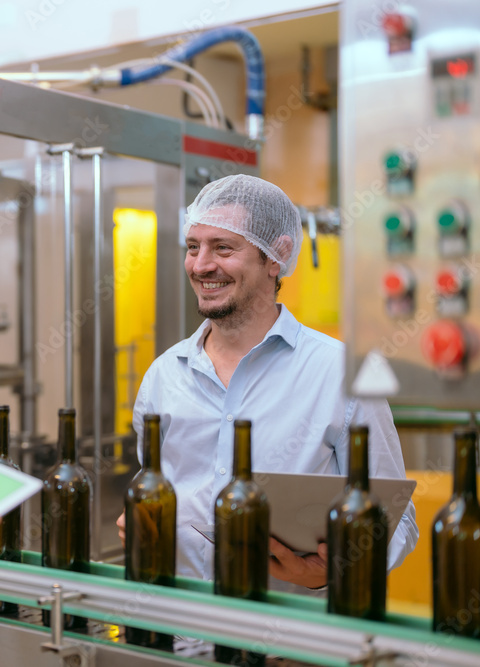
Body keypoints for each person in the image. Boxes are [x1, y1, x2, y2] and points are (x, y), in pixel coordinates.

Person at [117, 174, 417, 595]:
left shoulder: (339, 373)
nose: (201, 265)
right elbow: (157, 490)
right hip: (177, 630)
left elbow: (398, 520)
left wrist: (334, 569)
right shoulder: (163, 375)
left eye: (223, 247)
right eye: (193, 247)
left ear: (276, 257)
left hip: (288, 644)